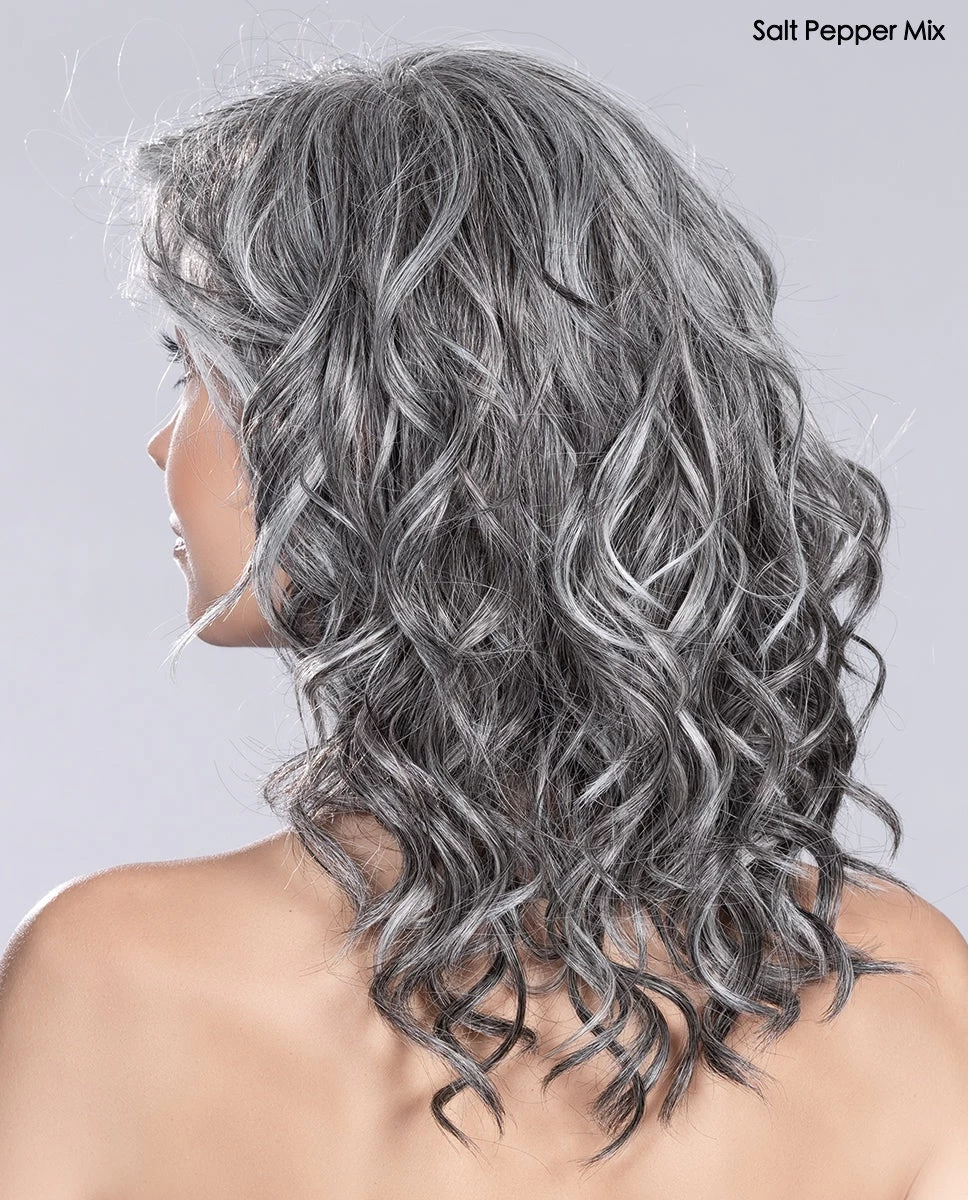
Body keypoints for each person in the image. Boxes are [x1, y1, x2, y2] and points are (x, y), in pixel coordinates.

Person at [0, 41, 965, 1199]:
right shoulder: (903, 994)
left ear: (379, 426)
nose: (163, 441)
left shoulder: (112, 974)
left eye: (195, 370)